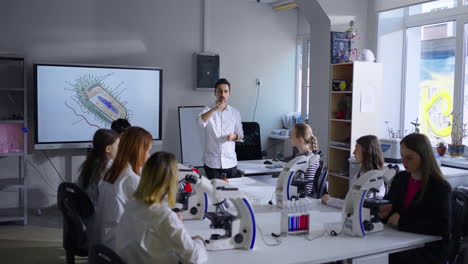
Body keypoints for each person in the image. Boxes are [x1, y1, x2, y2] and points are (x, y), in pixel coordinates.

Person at [115, 152, 207, 264]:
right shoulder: (165, 216)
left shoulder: (132, 205)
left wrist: (173, 224)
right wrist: (199, 242)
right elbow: (195, 259)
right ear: (171, 181)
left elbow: (150, 237)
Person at [380, 133, 451, 264]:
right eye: (402, 156)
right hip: (398, 243)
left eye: (409, 158)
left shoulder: (439, 187)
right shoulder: (400, 179)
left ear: (423, 157)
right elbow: (391, 207)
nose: (404, 162)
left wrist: (402, 222)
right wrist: (385, 212)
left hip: (425, 252)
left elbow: (441, 227)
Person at [92, 126, 153, 249]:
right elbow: (153, 214)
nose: (149, 155)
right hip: (120, 246)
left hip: (105, 245)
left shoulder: (114, 171)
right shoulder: (130, 178)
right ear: (139, 151)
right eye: (148, 150)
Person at [321, 135, 384, 208]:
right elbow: (351, 200)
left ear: (366, 152)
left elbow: (356, 204)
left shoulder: (375, 179)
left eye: (356, 149)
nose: (354, 152)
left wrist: (330, 201)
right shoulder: (362, 172)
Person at [199, 78, 243, 179]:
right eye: (219, 91)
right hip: (212, 163)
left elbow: (240, 135)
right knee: (214, 193)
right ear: (215, 93)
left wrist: (234, 136)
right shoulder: (207, 109)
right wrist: (215, 109)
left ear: (229, 94)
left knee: (231, 193)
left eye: (225, 91)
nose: (222, 94)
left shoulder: (235, 113)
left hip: (230, 162)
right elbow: (200, 122)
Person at [77, 129, 119, 205]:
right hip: (100, 213)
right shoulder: (111, 168)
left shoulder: (90, 163)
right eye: (118, 146)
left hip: (87, 212)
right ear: (108, 149)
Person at [289, 123, 320, 197]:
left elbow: (307, 190)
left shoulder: (310, 160)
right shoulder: (300, 156)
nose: (289, 137)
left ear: (300, 140)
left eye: (291, 135)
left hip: (302, 199)